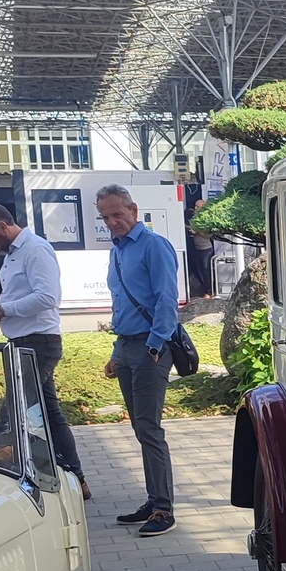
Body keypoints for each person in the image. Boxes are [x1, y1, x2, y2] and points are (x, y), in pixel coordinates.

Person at [0, 201, 90, 499]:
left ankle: (17, 478)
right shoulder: (11, 255)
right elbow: (17, 299)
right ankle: (76, 479)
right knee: (50, 415)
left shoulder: (35, 249)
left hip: (39, 343)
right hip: (24, 341)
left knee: (14, 410)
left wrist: (3, 310)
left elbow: (48, 297)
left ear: (2, 227)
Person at [97, 183, 180, 537]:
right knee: (140, 429)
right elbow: (121, 305)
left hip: (150, 348)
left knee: (149, 429)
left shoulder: (154, 245)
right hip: (127, 347)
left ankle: (163, 509)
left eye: (117, 214)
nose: (112, 222)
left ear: (133, 209)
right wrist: (117, 353)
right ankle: (153, 499)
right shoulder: (117, 251)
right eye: (105, 218)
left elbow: (167, 300)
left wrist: (154, 346)